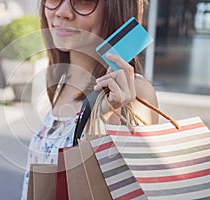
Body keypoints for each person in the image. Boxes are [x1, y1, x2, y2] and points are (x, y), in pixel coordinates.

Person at [21, 0, 158, 199]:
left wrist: (107, 115)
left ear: (116, 10)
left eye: (83, 1)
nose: (62, 12)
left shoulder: (135, 93)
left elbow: (114, 189)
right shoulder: (64, 81)